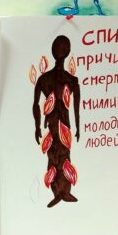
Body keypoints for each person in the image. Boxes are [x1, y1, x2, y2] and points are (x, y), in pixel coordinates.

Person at [32, 34, 81, 207]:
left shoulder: (46, 79)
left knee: (58, 156)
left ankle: (62, 192)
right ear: (67, 52)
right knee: (57, 156)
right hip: (58, 124)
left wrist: (38, 127)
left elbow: (36, 105)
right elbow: (75, 107)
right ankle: (59, 192)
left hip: (58, 124)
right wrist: (37, 127)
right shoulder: (70, 80)